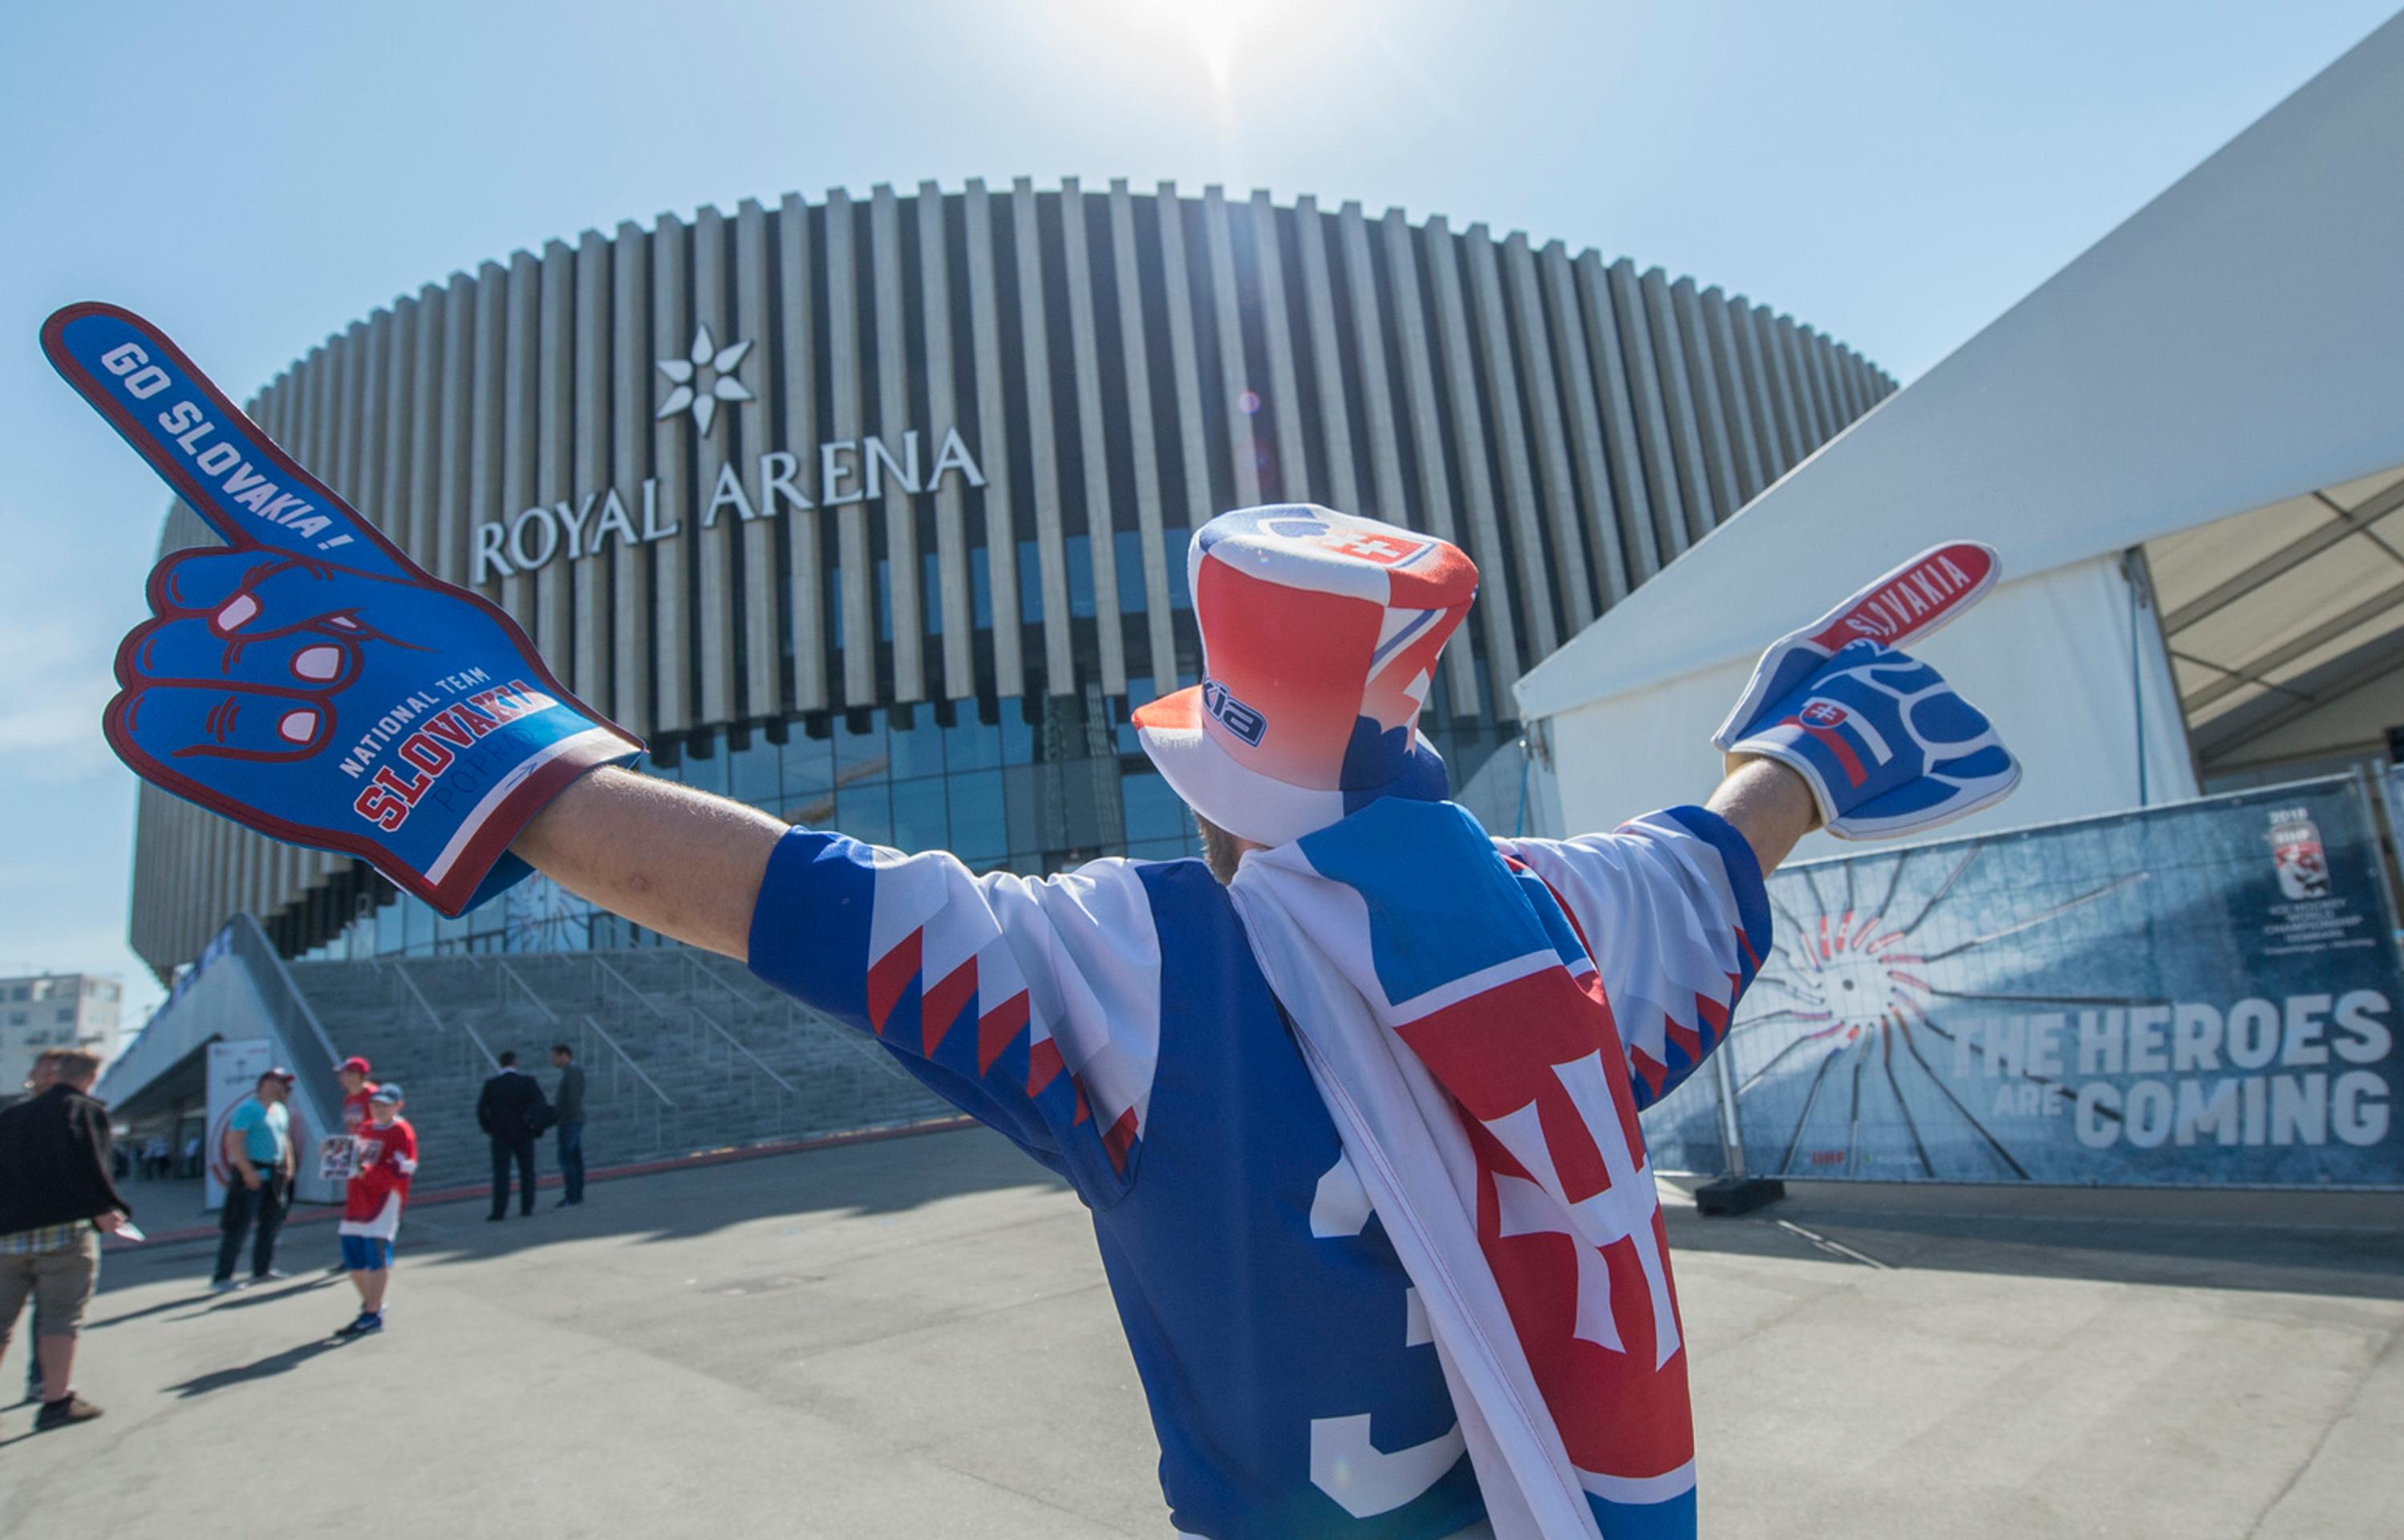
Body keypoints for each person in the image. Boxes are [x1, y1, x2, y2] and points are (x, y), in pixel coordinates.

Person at [65, 371, 2019, 1539]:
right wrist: (1802, 743)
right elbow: (1719, 847)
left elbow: (775, 889)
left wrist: (483, 745)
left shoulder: (1140, 965)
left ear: (1220, 791)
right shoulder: (1568, 921)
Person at [0, 1048, 131, 1432]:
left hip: (7, 1237)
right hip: (64, 1233)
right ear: (90, 1077)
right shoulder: (84, 1110)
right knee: (59, 1319)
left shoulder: (10, 1116)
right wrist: (106, 1208)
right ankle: (56, 1402)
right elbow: (89, 1165)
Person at [335, 1083, 416, 1339]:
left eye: (385, 1105)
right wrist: (334, 1157)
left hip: (383, 1201)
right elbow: (354, 1159)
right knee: (353, 1256)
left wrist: (366, 1172)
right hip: (358, 1199)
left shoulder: (402, 1132)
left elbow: (400, 1172)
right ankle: (373, 1304)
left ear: (398, 1106)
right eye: (375, 1104)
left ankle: (371, 1313)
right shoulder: (365, 1128)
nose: (378, 1109)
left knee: (376, 1253)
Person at [212, 1068, 297, 1291]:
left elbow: (284, 1139)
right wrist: (247, 1171)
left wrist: (289, 1164)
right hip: (252, 1172)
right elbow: (234, 1142)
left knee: (271, 1223)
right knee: (239, 1225)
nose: (286, 1088)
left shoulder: (280, 1110)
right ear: (267, 1083)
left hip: (275, 1174)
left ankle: (262, 1269)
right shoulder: (247, 1109)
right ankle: (223, 1277)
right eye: (282, 1082)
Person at [475, 1052, 549, 1222]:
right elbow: (541, 1106)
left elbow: (481, 1110)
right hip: (524, 1133)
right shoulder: (527, 1082)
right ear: (515, 1063)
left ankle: (499, 1211)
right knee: (527, 1171)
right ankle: (527, 1207)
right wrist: (537, 1129)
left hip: (501, 1135)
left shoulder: (492, 1084)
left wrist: (489, 1129)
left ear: (501, 1064)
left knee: (501, 1174)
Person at [549, 1044, 586, 1207]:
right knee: (574, 1158)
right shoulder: (571, 1072)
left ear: (564, 1055)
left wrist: (562, 1116)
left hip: (570, 1121)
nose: (552, 1060)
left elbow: (572, 1099)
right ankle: (576, 1193)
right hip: (571, 1120)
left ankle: (572, 1195)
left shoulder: (572, 1072)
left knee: (567, 1159)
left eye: (554, 1057)